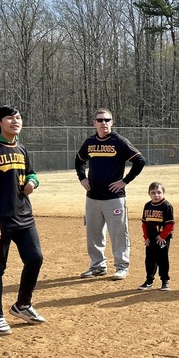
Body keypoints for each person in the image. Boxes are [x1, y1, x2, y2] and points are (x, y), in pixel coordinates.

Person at [0, 105, 46, 336]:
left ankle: (22, 305)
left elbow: (31, 173)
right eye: (10, 118)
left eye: (19, 117)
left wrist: (33, 182)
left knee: (35, 258)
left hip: (24, 216)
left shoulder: (21, 149)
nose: (16, 121)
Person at [75, 108, 146, 281]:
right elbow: (79, 160)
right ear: (94, 123)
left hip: (114, 198)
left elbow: (139, 161)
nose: (103, 123)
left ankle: (122, 267)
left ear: (112, 122)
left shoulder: (119, 141)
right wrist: (82, 178)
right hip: (92, 197)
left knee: (118, 233)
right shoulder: (90, 142)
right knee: (93, 233)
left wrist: (124, 181)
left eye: (107, 120)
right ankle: (97, 266)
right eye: (100, 120)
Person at [138, 181, 175, 291]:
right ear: (149, 193)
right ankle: (149, 280)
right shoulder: (147, 205)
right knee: (149, 259)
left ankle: (165, 280)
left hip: (162, 239)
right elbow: (144, 223)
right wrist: (146, 237)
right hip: (151, 238)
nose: (156, 195)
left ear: (163, 193)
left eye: (159, 192)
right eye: (153, 192)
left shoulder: (166, 206)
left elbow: (170, 224)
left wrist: (163, 236)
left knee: (162, 259)